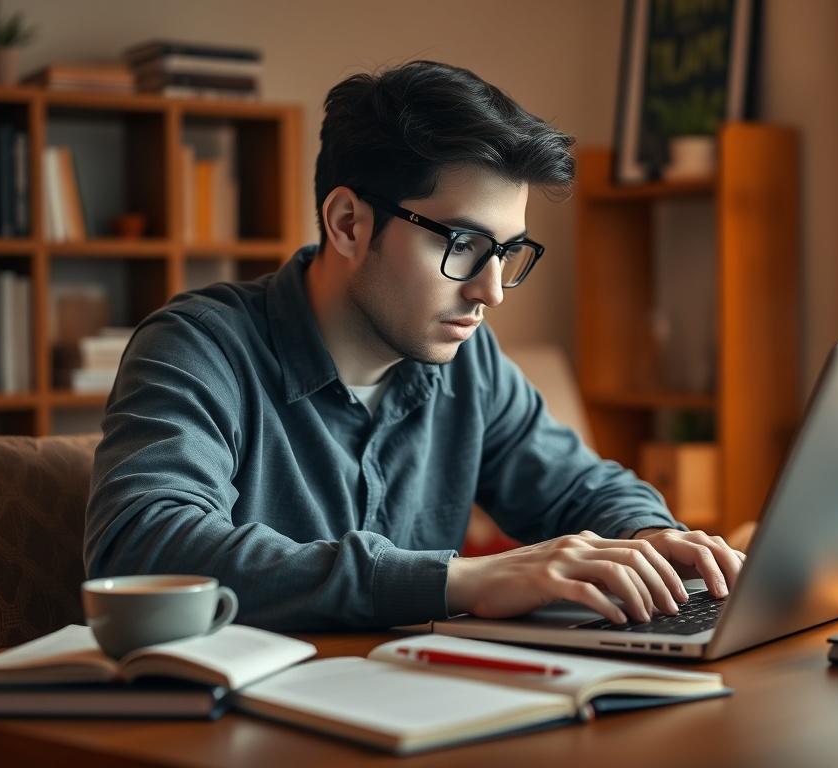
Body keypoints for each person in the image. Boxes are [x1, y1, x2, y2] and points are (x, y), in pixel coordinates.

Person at [84, 60, 745, 632]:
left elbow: (582, 490)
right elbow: (142, 548)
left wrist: (653, 539)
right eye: (462, 245)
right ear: (348, 223)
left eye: (508, 253)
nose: (492, 292)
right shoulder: (199, 347)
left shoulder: (469, 364)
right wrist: (458, 581)